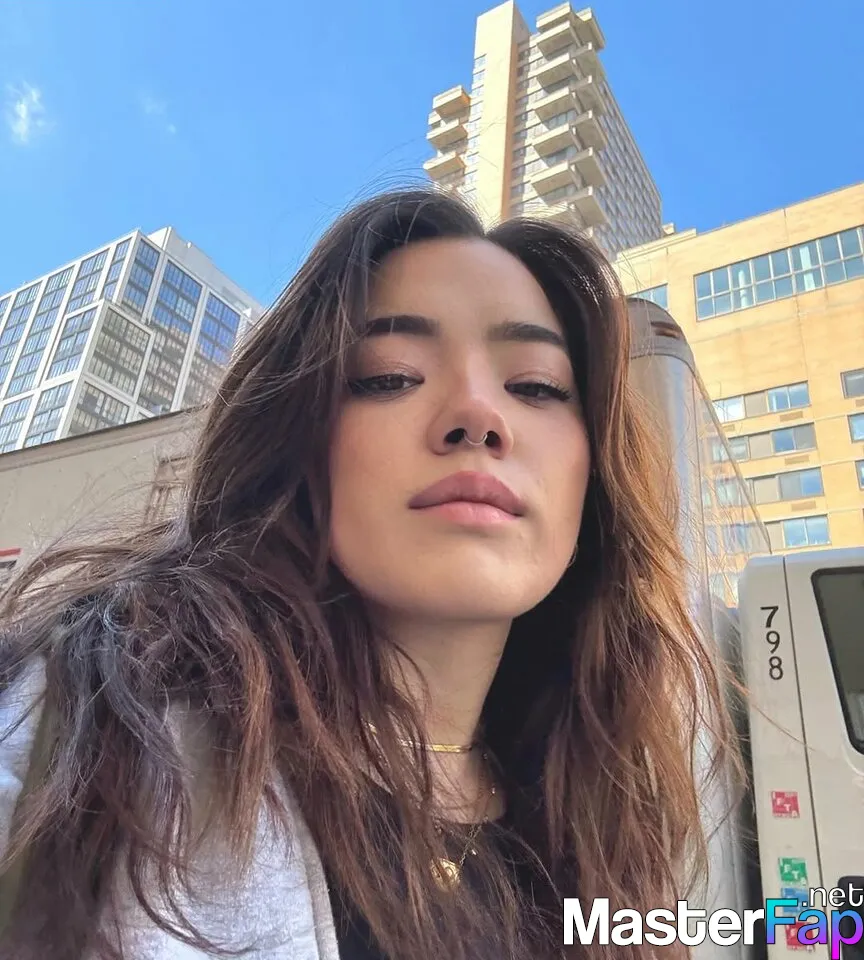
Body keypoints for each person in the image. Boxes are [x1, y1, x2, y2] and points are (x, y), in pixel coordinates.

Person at [0, 188, 739, 960]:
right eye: (389, 375)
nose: (479, 415)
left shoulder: (611, 829)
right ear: (298, 442)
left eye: (537, 387)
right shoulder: (88, 726)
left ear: (593, 476)